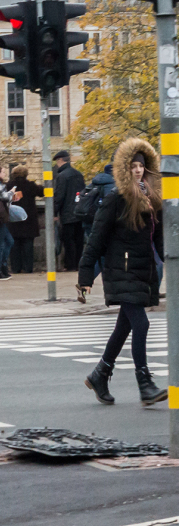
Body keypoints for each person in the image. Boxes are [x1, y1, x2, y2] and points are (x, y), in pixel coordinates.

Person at [78, 138, 167, 406]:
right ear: (125, 169)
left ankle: (100, 374)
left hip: (143, 271)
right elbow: (97, 237)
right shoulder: (116, 199)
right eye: (133, 166)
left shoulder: (152, 200)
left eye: (141, 166)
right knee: (141, 323)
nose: (138, 170)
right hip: (121, 270)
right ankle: (145, 384)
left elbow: (160, 240)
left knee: (124, 327)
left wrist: (172, 263)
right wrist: (85, 275)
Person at [79, 163, 117, 281]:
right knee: (104, 255)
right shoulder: (112, 185)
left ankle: (84, 279)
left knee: (94, 252)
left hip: (88, 222)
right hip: (104, 224)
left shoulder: (94, 182)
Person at [53, 150, 86, 271]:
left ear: (60, 160)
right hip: (80, 212)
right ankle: (79, 263)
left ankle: (70, 264)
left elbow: (59, 196)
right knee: (79, 240)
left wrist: (54, 212)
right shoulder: (78, 174)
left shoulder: (62, 176)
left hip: (67, 213)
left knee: (68, 240)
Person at [6, 165, 41, 274]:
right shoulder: (31, 185)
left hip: (13, 219)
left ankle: (15, 268)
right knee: (28, 244)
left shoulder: (8, 186)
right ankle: (28, 267)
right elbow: (43, 192)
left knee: (14, 244)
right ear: (26, 174)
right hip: (28, 219)